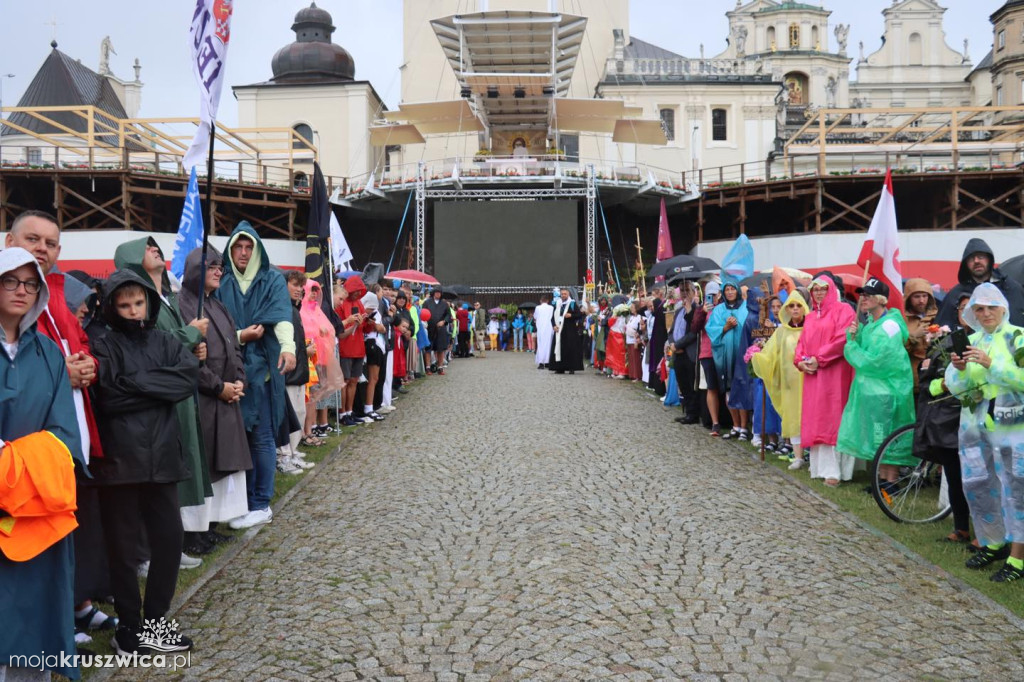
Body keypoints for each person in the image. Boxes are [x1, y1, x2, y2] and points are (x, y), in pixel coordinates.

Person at [90, 268, 200, 655]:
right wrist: (157, 387)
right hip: (121, 461)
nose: (134, 311)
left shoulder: (166, 340)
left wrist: (133, 383)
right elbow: (107, 397)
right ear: (112, 307)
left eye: (138, 302)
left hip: (163, 458)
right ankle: (128, 627)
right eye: (125, 304)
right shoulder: (102, 343)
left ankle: (154, 622)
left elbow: (187, 380)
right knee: (122, 548)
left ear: (148, 302)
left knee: (170, 540)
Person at [0, 247, 84, 681]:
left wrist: (19, 469)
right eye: (10, 281)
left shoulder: (49, 354)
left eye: (30, 283)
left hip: (39, 506)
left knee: (37, 617)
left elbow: (62, 434)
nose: (22, 291)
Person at [113, 237, 212, 528]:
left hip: (178, 396)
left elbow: (173, 349)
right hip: (157, 403)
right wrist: (192, 334)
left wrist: (197, 355)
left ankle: (178, 536)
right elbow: (154, 348)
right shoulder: (140, 305)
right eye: (147, 247)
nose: (156, 249)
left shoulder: (165, 300)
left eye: (156, 246)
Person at [215, 223, 297, 530]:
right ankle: (243, 501)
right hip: (230, 370)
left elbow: (281, 318)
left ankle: (261, 502)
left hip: (261, 370)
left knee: (261, 438)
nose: (244, 253)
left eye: (249, 247)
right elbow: (217, 326)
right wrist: (240, 336)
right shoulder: (223, 281)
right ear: (231, 249)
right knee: (241, 439)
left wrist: (288, 348)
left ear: (257, 249)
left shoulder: (271, 278)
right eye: (238, 247)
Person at [176, 246, 253, 550]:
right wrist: (217, 386)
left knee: (221, 465)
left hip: (226, 397)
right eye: (212, 266)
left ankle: (209, 526)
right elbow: (190, 356)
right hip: (204, 399)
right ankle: (191, 534)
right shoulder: (183, 304)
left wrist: (238, 381)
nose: (219, 271)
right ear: (197, 268)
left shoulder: (218, 306)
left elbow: (233, 346)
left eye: (221, 266)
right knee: (202, 466)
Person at [946, 284, 1024, 582]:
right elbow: (955, 386)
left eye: (991, 307)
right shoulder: (971, 340)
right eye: (979, 308)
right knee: (978, 485)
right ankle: (994, 542)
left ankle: (1018, 558)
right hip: (974, 432)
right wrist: (961, 369)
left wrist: (992, 364)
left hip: (1013, 428)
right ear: (972, 313)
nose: (986, 313)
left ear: (1003, 308)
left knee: (1017, 491)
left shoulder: (1018, 337)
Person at [837, 278, 916, 487]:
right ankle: (880, 479)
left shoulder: (889, 326)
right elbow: (869, 349)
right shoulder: (873, 323)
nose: (863, 299)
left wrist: (851, 348)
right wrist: (856, 336)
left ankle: (891, 480)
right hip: (876, 391)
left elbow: (878, 361)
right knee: (878, 435)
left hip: (889, 391)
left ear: (881, 300)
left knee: (888, 435)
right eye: (862, 295)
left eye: (868, 295)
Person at [914, 293, 972, 545]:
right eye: (963, 308)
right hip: (948, 416)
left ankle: (985, 534)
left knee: (978, 479)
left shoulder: (986, 340)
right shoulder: (949, 339)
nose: (968, 312)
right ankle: (962, 527)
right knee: (954, 473)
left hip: (973, 416)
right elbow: (931, 377)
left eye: (974, 307)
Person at [795, 276, 856, 486]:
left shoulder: (844, 311)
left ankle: (836, 471)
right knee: (816, 419)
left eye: (823, 289)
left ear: (830, 290)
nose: (819, 293)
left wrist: (818, 358)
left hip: (834, 375)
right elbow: (802, 343)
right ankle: (820, 467)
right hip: (814, 376)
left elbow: (842, 339)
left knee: (833, 419)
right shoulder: (810, 317)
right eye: (816, 290)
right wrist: (800, 361)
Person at [753, 291, 808, 467]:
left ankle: (811, 455)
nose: (795, 309)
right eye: (791, 306)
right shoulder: (782, 331)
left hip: (808, 381)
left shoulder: (810, 327)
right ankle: (798, 456)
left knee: (808, 417)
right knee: (793, 417)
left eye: (798, 305)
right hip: (790, 383)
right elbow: (771, 352)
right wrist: (757, 357)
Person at [936, 238, 1024, 328]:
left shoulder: (1010, 287)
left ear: (989, 259)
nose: (976, 261)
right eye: (971, 259)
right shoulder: (956, 294)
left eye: (981, 257)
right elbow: (943, 333)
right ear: (965, 264)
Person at [707, 282, 750, 439]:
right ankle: (736, 425)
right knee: (729, 390)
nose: (730, 292)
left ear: (737, 291)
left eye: (733, 289)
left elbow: (750, 326)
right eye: (727, 290)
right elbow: (711, 330)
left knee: (742, 389)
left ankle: (744, 427)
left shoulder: (745, 308)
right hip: (726, 355)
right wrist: (725, 327)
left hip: (741, 353)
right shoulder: (719, 310)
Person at [336, 275, 368, 425]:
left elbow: (363, 326)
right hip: (345, 347)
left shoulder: (358, 302)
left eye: (359, 291)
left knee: (354, 380)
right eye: (355, 291)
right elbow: (339, 327)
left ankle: (349, 411)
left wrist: (365, 320)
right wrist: (351, 322)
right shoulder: (341, 304)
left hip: (358, 347)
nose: (357, 294)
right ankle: (342, 414)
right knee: (345, 381)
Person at [904, 278, 938, 388]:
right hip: (912, 379)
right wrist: (913, 336)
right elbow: (896, 352)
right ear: (908, 298)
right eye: (917, 296)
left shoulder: (937, 316)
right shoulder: (902, 320)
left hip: (935, 379)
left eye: (925, 296)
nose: (921, 300)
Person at [360, 292, 387, 422]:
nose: (371, 310)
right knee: (372, 378)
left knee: (375, 378)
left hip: (376, 345)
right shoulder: (363, 311)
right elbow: (377, 327)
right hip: (371, 344)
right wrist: (376, 326)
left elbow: (382, 328)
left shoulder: (375, 312)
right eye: (369, 308)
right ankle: (368, 407)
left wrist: (377, 326)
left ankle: (370, 406)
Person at [548, 288, 584, 374]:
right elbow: (552, 317)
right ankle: (559, 368)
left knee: (570, 348)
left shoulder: (572, 303)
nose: (563, 295)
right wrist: (553, 326)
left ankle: (571, 368)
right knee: (559, 348)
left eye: (565, 294)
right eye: (562, 294)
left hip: (569, 330)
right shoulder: (557, 304)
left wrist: (571, 315)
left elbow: (579, 314)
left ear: (568, 295)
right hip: (559, 330)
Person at [422, 289, 451, 374]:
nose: (438, 294)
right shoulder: (427, 302)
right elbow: (423, 313)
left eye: (439, 293)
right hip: (429, 328)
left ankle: (440, 367)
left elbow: (448, 315)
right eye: (436, 292)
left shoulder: (445, 304)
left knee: (440, 348)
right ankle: (428, 367)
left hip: (440, 329)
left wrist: (444, 321)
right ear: (433, 293)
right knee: (428, 348)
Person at [646, 288, 667, 395]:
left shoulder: (661, 311)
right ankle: (655, 385)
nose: (652, 308)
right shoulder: (658, 312)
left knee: (659, 363)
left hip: (660, 341)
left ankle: (660, 387)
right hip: (656, 340)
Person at [606, 303, 628, 378]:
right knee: (614, 355)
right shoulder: (615, 317)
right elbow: (610, 323)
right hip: (614, 337)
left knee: (620, 355)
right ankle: (615, 371)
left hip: (619, 337)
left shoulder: (624, 318)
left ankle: (621, 372)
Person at [534, 295, 554, 369]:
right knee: (549, 344)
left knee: (541, 344)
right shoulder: (551, 308)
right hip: (549, 328)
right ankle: (548, 362)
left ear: (541, 301)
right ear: (548, 301)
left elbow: (535, 317)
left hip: (541, 328)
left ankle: (541, 362)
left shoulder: (538, 308)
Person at [626, 301, 644, 382]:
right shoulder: (631, 317)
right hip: (629, 339)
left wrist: (637, 336)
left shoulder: (639, 317)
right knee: (631, 358)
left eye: (633, 307)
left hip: (634, 340)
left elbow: (640, 329)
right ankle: (632, 374)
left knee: (635, 358)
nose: (631, 309)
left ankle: (637, 375)